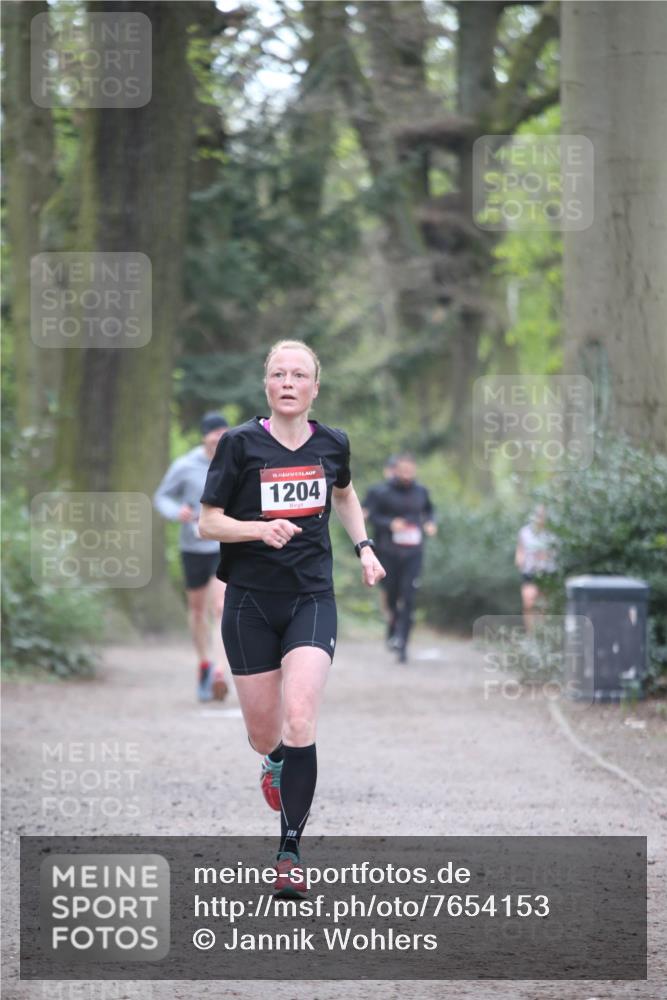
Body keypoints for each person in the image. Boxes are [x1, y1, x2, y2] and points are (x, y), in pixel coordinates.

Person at [199, 339, 385, 898]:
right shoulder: (239, 445)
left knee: (300, 719)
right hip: (250, 602)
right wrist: (259, 528)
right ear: (266, 385)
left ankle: (289, 853)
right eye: (277, 373)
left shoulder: (332, 444)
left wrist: (365, 548)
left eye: (298, 374)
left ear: (314, 387)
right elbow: (208, 524)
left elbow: (346, 496)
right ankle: (273, 760)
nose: (287, 382)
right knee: (265, 733)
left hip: (311, 597)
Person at [153, 412, 230, 702]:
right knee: (198, 611)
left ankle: (220, 672)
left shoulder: (234, 462)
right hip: (193, 546)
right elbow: (162, 497)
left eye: (225, 432)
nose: (219, 437)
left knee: (222, 606)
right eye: (214, 433)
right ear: (204, 436)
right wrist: (178, 512)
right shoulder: (185, 465)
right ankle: (204, 665)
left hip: (224, 545)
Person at [368, 454, 437, 664]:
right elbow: (372, 516)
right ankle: (392, 625)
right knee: (391, 595)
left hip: (413, 553)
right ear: (395, 470)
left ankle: (403, 645)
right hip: (389, 552)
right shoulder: (383, 492)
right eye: (403, 470)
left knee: (408, 597)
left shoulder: (421, 491)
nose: (407, 474)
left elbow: (430, 511)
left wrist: (431, 523)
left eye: (410, 470)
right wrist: (390, 523)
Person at [362, 455, 398, 633]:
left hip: (406, 550)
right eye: (392, 469)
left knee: (402, 587)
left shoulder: (412, 491)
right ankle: (389, 618)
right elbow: (365, 513)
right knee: (386, 585)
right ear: (386, 471)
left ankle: (399, 618)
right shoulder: (377, 491)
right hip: (383, 545)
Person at [515, 505, 556, 632]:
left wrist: (545, 556)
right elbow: (520, 549)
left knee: (544, 606)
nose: (539, 518)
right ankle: (531, 634)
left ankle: (541, 633)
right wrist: (519, 559)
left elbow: (554, 554)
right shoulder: (525, 532)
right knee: (529, 603)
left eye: (542, 515)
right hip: (529, 572)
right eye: (537, 515)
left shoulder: (551, 534)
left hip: (546, 572)